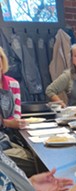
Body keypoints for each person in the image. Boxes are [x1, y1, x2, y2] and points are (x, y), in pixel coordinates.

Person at [0, 47, 36, 177]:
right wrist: (7, 123)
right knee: (35, 165)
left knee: (36, 157)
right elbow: (11, 121)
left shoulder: (12, 84)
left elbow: (16, 115)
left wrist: (13, 123)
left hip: (9, 137)